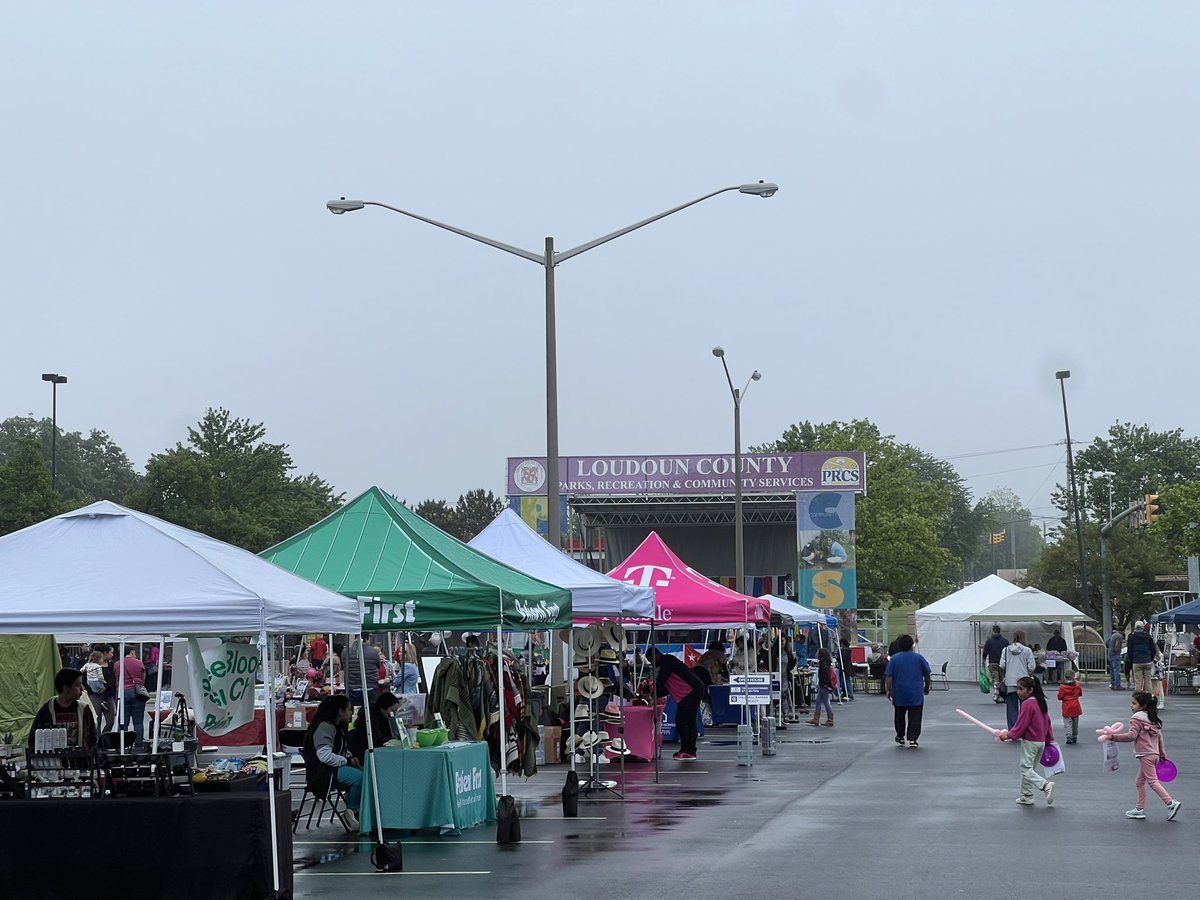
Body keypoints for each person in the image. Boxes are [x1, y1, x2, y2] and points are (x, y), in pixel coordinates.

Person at [1102, 691, 1181, 821]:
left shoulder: (1136, 719)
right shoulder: (1152, 718)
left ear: (1142, 705)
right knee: (1139, 782)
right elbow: (1159, 737)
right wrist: (1161, 753)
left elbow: (1131, 736)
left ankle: (1170, 803)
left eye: (1134, 703)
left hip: (1145, 754)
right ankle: (1139, 809)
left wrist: (1113, 737)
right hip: (1154, 754)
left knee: (1152, 781)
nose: (1131, 706)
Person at [302, 695, 362, 831]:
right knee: (360, 778)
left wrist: (349, 757)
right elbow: (325, 756)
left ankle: (358, 809)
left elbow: (338, 749)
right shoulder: (325, 727)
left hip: (331, 769)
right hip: (324, 773)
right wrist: (346, 760)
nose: (351, 713)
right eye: (349, 709)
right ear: (340, 711)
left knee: (365, 772)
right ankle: (350, 812)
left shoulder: (336, 727)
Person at [1000, 676, 1056, 807]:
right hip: (1040, 741)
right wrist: (1048, 739)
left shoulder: (1027, 704)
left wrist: (1008, 735)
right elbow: (1047, 722)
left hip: (1030, 741)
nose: (1018, 692)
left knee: (1025, 769)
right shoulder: (1040, 702)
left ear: (1030, 690)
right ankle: (1027, 795)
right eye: (1017, 688)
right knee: (1030, 769)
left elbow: (1021, 724)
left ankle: (1045, 785)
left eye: (1021, 689)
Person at [649, 647, 705, 760]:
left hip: (691, 691)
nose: (652, 663)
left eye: (651, 660)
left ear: (656, 655)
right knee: (689, 722)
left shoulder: (667, 661)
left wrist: (653, 694)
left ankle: (688, 750)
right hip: (691, 691)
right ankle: (689, 750)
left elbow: (661, 680)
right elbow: (666, 688)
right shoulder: (668, 663)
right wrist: (653, 694)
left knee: (682, 721)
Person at [28, 668, 98, 752]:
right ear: (66, 688)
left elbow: (93, 739)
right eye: (78, 685)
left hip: (81, 762)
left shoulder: (84, 710)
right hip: (54, 763)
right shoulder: (46, 711)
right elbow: (33, 740)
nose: (82, 688)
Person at [884, 634, 931, 748]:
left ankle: (900, 735)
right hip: (915, 692)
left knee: (899, 715)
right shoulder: (919, 658)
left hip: (899, 692)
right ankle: (913, 738)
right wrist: (926, 686)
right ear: (911, 645)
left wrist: (889, 690)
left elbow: (889, 677)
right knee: (915, 716)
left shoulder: (894, 659)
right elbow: (927, 673)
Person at [348, 691, 401, 760]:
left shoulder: (386, 717)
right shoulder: (371, 716)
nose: (393, 714)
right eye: (392, 710)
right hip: (364, 752)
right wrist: (391, 740)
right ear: (383, 707)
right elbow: (377, 738)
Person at [1000, 631, 1036, 730]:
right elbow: (1031, 667)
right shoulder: (1027, 650)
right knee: (1025, 707)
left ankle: (1013, 729)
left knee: (1011, 708)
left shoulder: (1006, 650)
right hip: (1024, 681)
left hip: (1010, 681)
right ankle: (1024, 728)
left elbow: (1002, 665)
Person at [344, 634, 382, 708]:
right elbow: (378, 666)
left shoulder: (345, 652)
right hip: (370, 686)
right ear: (367, 639)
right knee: (371, 713)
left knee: (355, 714)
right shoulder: (374, 652)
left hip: (353, 688)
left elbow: (344, 666)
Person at [119, 645, 148, 741]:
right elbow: (143, 677)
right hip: (137, 692)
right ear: (131, 652)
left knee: (123, 722)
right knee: (138, 722)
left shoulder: (117, 664)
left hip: (122, 692)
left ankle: (124, 743)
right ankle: (139, 742)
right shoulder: (139, 663)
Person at [806, 648, 835, 728]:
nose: (816, 654)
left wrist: (825, 685)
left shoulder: (823, 665)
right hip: (824, 685)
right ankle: (817, 718)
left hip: (824, 685)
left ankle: (829, 719)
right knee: (818, 701)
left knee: (825, 702)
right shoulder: (825, 663)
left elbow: (825, 676)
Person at [1127, 622, 1157, 694]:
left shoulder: (1131, 637)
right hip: (1147, 661)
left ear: (1135, 627)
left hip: (1136, 661)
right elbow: (1153, 649)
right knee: (1148, 681)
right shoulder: (1148, 636)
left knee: (1138, 682)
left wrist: (1132, 660)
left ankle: (1138, 698)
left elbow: (1130, 650)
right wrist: (1151, 658)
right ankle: (1149, 697)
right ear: (1143, 627)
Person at [981, 625, 1009, 703]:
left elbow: (985, 651)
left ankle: (996, 693)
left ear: (993, 631)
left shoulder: (989, 641)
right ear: (1000, 631)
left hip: (992, 662)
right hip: (1003, 663)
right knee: (1002, 679)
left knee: (995, 679)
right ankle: (1002, 694)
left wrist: (983, 660)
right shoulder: (1005, 641)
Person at [1056, 668, 1083, 744]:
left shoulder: (1062, 687)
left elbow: (1059, 697)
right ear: (1073, 676)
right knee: (1075, 723)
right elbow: (1080, 693)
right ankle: (1075, 736)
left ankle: (1069, 736)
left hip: (1066, 707)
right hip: (1076, 706)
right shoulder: (1077, 686)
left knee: (1068, 723)